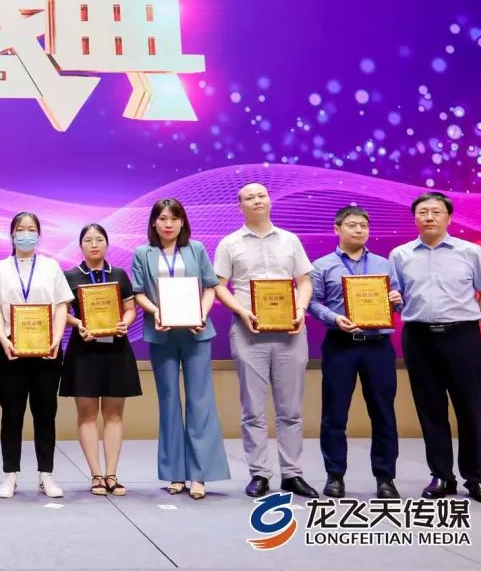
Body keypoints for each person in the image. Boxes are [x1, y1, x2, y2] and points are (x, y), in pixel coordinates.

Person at [213, 183, 319, 498]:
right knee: (253, 409)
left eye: (262, 195)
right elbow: (218, 286)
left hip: (290, 333)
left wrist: (300, 309)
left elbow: (304, 281)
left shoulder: (290, 240)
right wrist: (241, 311)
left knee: (291, 409)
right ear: (240, 206)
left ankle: (292, 473)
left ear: (270, 201)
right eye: (250, 197)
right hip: (249, 332)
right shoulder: (229, 243)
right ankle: (259, 473)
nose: (257, 200)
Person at [390, 191, 481, 504]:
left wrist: (471, 320)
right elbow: (395, 297)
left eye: (436, 211)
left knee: (471, 409)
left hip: (462, 337)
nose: (429, 217)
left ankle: (478, 478)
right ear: (415, 218)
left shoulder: (470, 251)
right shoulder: (400, 255)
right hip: (419, 338)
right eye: (423, 212)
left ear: (448, 217)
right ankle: (441, 476)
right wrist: (394, 302)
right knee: (430, 409)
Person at [131, 199, 229, 500]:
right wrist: (157, 312)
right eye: (162, 218)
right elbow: (138, 292)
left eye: (174, 218)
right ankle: (175, 473)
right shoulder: (143, 253)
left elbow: (210, 286)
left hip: (195, 333)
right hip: (161, 334)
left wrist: (201, 313)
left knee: (200, 401)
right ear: (153, 223)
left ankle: (199, 475)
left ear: (183, 222)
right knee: (169, 401)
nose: (168, 224)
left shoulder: (196, 249)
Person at [309, 205, 402, 499]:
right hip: (341, 345)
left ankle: (385, 478)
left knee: (383, 413)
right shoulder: (321, 266)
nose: (359, 230)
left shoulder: (384, 264)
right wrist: (333, 318)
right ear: (337, 229)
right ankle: (335, 476)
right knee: (334, 414)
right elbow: (313, 303)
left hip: (378, 346)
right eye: (352, 225)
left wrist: (396, 299)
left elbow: (399, 303)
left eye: (363, 225)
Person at [0, 211, 73, 499]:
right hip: (11, 348)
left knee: (45, 412)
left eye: (31, 229)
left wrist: (57, 339)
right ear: (12, 234)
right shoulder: (0, 268)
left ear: (39, 234)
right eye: (20, 229)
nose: (26, 234)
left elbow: (62, 306)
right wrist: (3, 338)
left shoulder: (51, 266)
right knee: (11, 412)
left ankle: (46, 474)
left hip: (47, 349)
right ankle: (9, 474)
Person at [60, 223, 139, 497]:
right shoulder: (70, 276)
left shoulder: (119, 274)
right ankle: (95, 475)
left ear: (107, 243)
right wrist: (77, 323)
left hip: (116, 350)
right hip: (84, 351)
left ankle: (112, 475)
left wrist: (125, 322)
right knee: (87, 415)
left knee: (114, 415)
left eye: (99, 239)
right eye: (88, 240)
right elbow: (62, 312)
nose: (94, 244)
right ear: (80, 246)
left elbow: (130, 308)